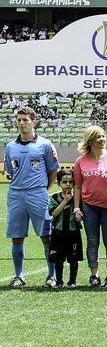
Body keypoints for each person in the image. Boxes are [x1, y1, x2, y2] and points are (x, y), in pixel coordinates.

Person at [4, 106, 58, 287]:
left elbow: (53, 170)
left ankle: (52, 276)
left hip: (38, 194)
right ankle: (19, 276)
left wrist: (43, 189)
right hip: (16, 195)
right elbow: (10, 170)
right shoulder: (10, 146)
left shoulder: (45, 144)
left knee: (47, 236)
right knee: (17, 237)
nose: (21, 123)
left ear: (34, 122)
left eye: (25, 120)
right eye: (19, 120)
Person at [74, 125, 107, 288]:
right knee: (92, 241)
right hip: (89, 207)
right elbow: (77, 187)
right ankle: (94, 275)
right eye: (98, 137)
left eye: (103, 136)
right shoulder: (80, 161)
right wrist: (77, 208)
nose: (102, 139)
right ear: (90, 140)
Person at [47, 168, 82, 288]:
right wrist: (65, 201)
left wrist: (79, 217)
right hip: (58, 233)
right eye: (64, 182)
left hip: (73, 233)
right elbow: (54, 213)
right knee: (58, 259)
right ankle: (59, 281)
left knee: (73, 259)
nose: (68, 184)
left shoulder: (77, 198)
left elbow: (81, 213)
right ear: (59, 183)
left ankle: (72, 281)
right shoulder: (55, 198)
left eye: (71, 182)